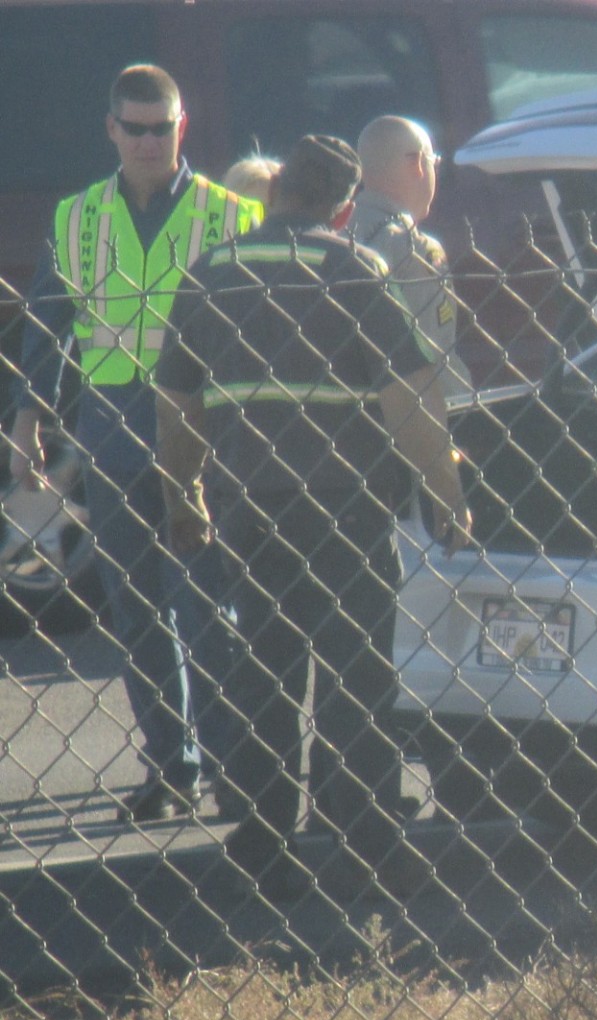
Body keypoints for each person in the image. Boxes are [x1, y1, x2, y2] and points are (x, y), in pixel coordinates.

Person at [153, 134, 472, 901]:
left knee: (264, 670)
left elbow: (177, 405)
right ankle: (367, 842)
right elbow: (407, 401)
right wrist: (447, 492)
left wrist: (182, 496)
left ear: (275, 193)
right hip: (345, 507)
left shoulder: (212, 274)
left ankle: (265, 841)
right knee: (355, 678)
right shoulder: (352, 270)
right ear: (345, 207)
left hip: (250, 508)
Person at [7, 64, 260, 822]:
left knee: (208, 610)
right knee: (137, 611)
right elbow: (48, 323)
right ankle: (170, 767)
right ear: (111, 128)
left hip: (203, 437)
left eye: (163, 127)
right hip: (113, 430)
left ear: (183, 128)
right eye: (135, 127)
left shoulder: (231, 215)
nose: (150, 141)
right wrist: (29, 420)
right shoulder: (78, 218)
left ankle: (234, 766)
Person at [346, 116, 470, 396]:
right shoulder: (411, 246)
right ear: (417, 163)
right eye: (434, 162)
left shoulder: (335, 231)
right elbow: (433, 352)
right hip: (411, 413)